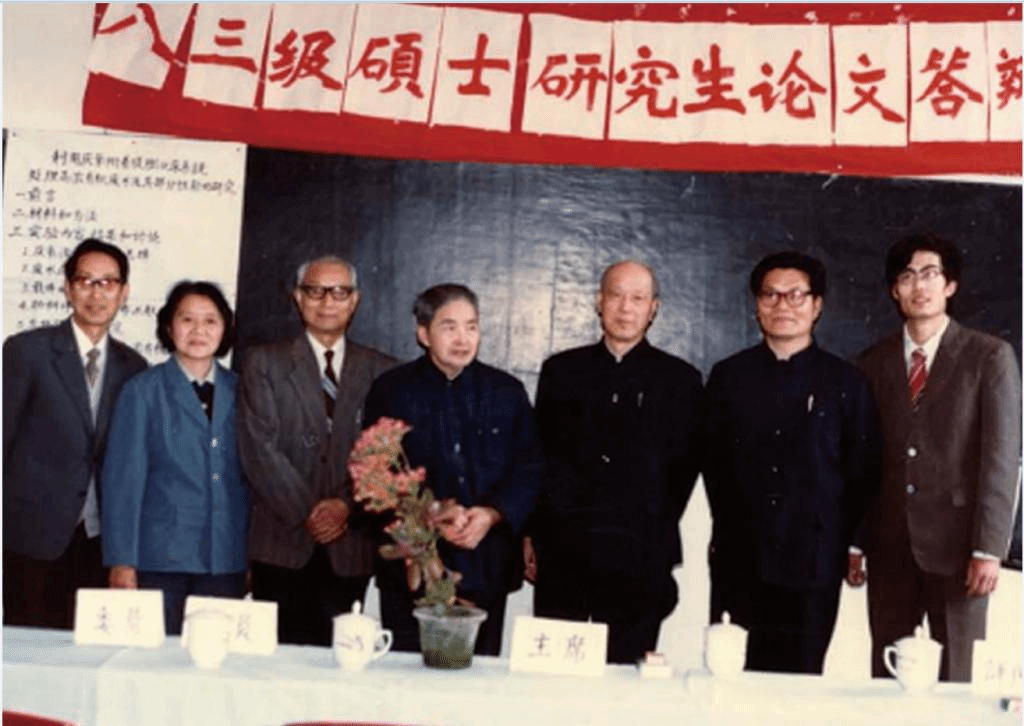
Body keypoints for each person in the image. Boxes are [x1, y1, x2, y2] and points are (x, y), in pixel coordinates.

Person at [703, 251, 882, 674]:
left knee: (799, 683)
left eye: (796, 295)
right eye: (771, 295)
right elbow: (714, 465)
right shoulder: (729, 377)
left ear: (817, 305)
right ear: (757, 305)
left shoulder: (847, 382)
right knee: (732, 678)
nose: (783, 305)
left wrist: (848, 542)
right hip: (740, 560)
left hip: (812, 565)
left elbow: (864, 470)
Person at [854, 232, 1021, 682]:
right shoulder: (871, 363)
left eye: (930, 274)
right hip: (890, 547)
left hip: (961, 549)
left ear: (950, 286)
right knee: (887, 676)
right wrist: (856, 541)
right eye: (907, 276)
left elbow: (1002, 460)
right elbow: (863, 460)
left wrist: (988, 549)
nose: (919, 285)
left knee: (958, 678)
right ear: (894, 290)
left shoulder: (989, 356)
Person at [527, 260, 704, 664]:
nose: (626, 308)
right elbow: (541, 457)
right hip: (564, 552)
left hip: (639, 555)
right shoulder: (561, 371)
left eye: (638, 298)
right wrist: (533, 534)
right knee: (555, 675)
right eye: (616, 296)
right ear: (598, 301)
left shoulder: (680, 380)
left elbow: (682, 472)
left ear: (653, 308)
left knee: (626, 678)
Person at [363, 283, 544, 655]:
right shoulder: (392, 390)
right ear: (423, 333)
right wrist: (431, 518)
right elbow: (372, 474)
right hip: (413, 566)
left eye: (471, 327)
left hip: (485, 564)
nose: (463, 338)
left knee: (475, 679)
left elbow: (529, 468)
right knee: (405, 678)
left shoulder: (507, 392)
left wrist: (492, 515)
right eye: (449, 327)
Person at [237, 255, 397, 645]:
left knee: (342, 660)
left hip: (350, 545)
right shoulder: (263, 362)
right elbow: (259, 448)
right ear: (298, 297)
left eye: (339, 292)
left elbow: (386, 455)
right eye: (315, 291)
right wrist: (309, 512)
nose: (327, 302)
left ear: (355, 300)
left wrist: (345, 505)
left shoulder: (382, 371)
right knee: (278, 663)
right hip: (282, 541)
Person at [3, 238, 148, 629]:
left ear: (124, 292)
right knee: (30, 650)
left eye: (108, 283)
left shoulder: (134, 367)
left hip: (99, 544)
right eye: (85, 281)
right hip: (30, 537)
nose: (96, 294)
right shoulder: (26, 352)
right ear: (67, 288)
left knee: (88, 652)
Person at [102, 281, 249, 634]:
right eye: (187, 320)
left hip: (225, 557)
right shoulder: (142, 390)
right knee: (156, 657)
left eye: (210, 321)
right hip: (159, 559)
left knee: (215, 656)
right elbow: (123, 482)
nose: (199, 331)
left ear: (225, 328)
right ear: (169, 327)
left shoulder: (243, 390)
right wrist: (121, 561)